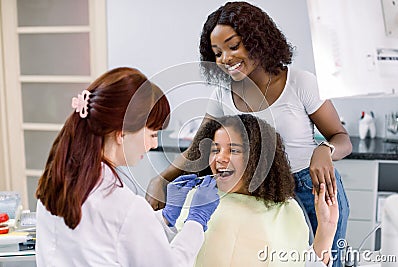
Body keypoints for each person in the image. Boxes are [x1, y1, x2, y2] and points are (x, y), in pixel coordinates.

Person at [145, 2, 351, 266]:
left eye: (233, 46)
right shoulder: (222, 94)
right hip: (261, 191)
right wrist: (161, 179)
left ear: (258, 40)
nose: (225, 58)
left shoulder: (300, 83)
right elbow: (198, 148)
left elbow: (341, 138)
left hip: (310, 188)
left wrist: (325, 150)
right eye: (217, 52)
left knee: (324, 260)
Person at [35, 67, 219, 267]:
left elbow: (113, 240)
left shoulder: (55, 183)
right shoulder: (124, 206)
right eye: (152, 134)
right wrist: (195, 223)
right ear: (121, 133)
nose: (154, 145)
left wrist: (164, 218)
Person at [176, 114, 338, 266]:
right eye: (215, 150)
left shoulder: (286, 212)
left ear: (258, 158)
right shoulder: (197, 201)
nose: (220, 158)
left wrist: (326, 228)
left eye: (233, 150)